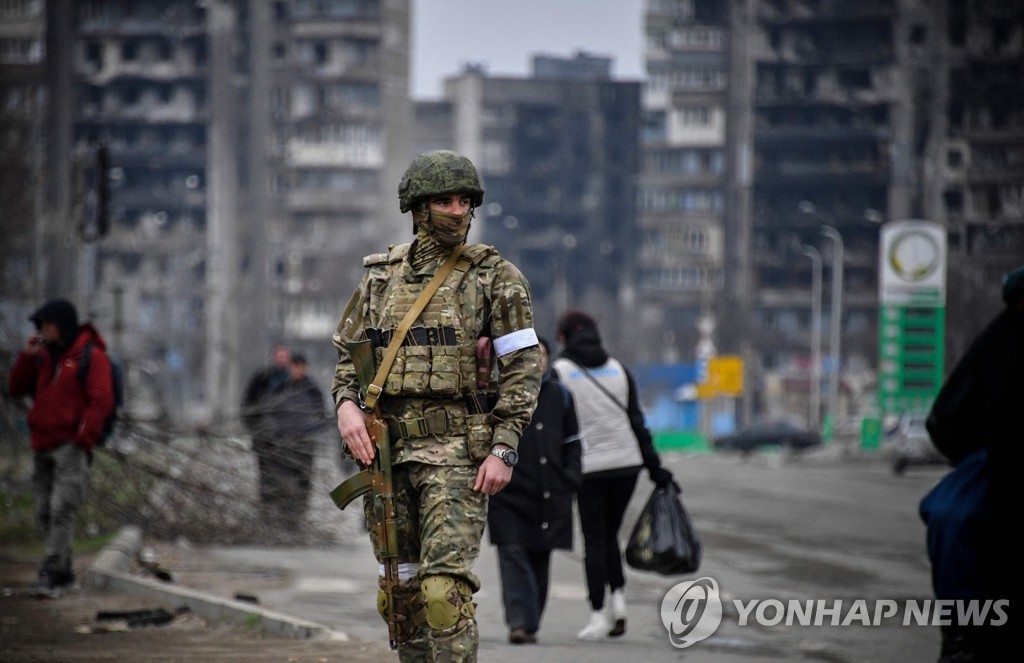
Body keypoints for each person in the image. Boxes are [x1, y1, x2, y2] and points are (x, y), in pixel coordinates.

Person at [332, 149, 542, 661]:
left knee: (442, 595)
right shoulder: (381, 277)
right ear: (418, 208)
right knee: (398, 595)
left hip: (456, 456)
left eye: (465, 200)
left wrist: (504, 447)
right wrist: (346, 406)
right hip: (387, 455)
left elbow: (524, 369)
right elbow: (348, 359)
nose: (457, 210)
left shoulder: (496, 277)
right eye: (445, 200)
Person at [551, 310, 675, 641]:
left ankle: (597, 614)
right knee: (610, 536)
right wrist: (656, 470)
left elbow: (555, 426)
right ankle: (619, 604)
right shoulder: (619, 369)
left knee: (594, 539)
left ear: (564, 337)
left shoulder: (560, 372)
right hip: (627, 465)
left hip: (588, 468)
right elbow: (637, 422)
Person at [921, 264, 1021, 662]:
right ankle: (965, 632)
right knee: (949, 513)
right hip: (1001, 462)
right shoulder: (1003, 343)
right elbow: (947, 418)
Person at [8, 298, 115, 598]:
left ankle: (52, 572)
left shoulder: (90, 357)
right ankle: (64, 572)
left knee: (62, 508)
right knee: (43, 510)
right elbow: (16, 388)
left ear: (62, 326)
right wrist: (27, 357)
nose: (42, 331)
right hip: (43, 445)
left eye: (47, 325)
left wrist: (83, 438)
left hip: (71, 447)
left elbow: (101, 400)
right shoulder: (42, 358)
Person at [487, 336, 582, 645]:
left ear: (548, 360)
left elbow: (573, 443)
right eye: (529, 355)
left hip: (550, 493)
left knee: (540, 558)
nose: (536, 361)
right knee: (512, 552)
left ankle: (530, 622)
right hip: (509, 492)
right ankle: (519, 622)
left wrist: (571, 477)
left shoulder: (561, 396)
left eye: (540, 355)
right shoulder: (501, 393)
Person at [262, 353, 328, 527]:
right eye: (294, 366)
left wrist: (310, 433)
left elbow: (322, 417)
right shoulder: (280, 388)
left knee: (303, 480)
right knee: (282, 479)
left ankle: (297, 517)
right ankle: (282, 516)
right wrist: (275, 435)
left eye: (300, 366)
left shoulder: (313, 390)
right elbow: (269, 413)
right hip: (284, 443)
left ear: (304, 368)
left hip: (304, 445)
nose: (297, 370)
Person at [241, 345, 293, 526]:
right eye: (279, 355)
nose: (282, 359)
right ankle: (267, 514)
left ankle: (286, 516)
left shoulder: (293, 380)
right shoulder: (262, 379)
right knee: (266, 477)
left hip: (288, 441)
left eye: (285, 356)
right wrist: (256, 429)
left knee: (288, 477)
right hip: (265, 439)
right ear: (274, 357)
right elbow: (248, 406)